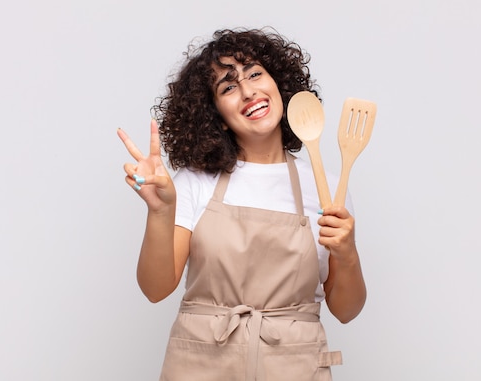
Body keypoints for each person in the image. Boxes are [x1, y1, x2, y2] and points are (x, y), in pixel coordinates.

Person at [117, 27, 367, 381]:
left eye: (254, 74)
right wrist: (160, 211)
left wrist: (348, 252)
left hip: (295, 367)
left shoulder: (324, 188)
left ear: (279, 84)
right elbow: (155, 289)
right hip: (201, 366)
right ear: (215, 113)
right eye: (229, 87)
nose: (248, 91)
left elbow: (346, 309)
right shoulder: (195, 182)